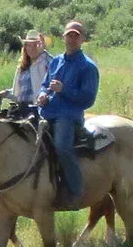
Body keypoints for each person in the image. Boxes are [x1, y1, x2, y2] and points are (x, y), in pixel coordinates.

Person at [41, 20, 100, 198]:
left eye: (76, 36)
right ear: (63, 38)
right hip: (46, 112)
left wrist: (64, 90)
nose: (72, 39)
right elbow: (45, 84)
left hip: (68, 116)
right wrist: (42, 95)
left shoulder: (88, 67)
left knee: (61, 147)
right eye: (69, 36)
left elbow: (88, 99)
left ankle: (75, 191)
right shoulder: (56, 61)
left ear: (82, 39)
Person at [9, 32, 54, 112]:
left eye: (35, 45)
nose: (32, 49)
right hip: (21, 107)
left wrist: (43, 52)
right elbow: (18, 92)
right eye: (29, 45)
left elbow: (53, 67)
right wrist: (6, 93)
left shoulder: (45, 62)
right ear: (25, 47)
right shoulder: (22, 68)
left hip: (38, 107)